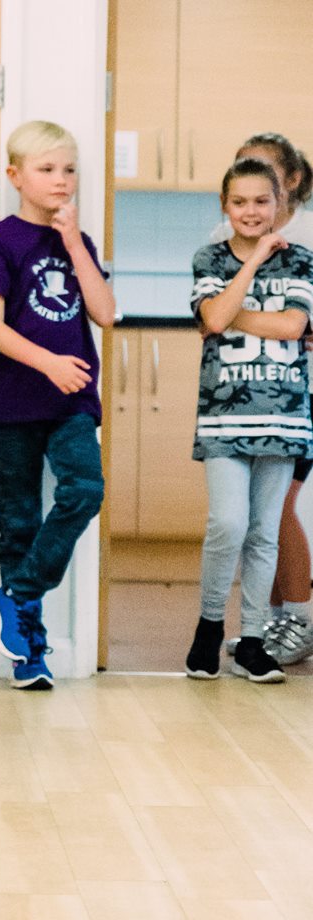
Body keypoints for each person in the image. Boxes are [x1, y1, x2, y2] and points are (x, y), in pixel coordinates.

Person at [0, 120, 114, 690]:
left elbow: (105, 313)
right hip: (12, 403)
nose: (62, 180)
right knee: (20, 523)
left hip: (72, 403)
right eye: (48, 169)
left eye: (70, 169)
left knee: (85, 490)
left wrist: (76, 242)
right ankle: (28, 654)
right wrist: (49, 363)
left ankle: (16, 595)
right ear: (16, 177)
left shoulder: (77, 242)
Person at [185, 157, 313, 683]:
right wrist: (254, 260)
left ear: (279, 205)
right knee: (228, 523)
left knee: (264, 534)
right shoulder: (208, 257)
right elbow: (211, 317)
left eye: (262, 201)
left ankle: (254, 639)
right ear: (225, 206)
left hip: (283, 417)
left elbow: (292, 326)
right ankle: (209, 629)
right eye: (240, 202)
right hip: (223, 419)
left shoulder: (302, 260)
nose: (251, 211)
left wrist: (228, 310)